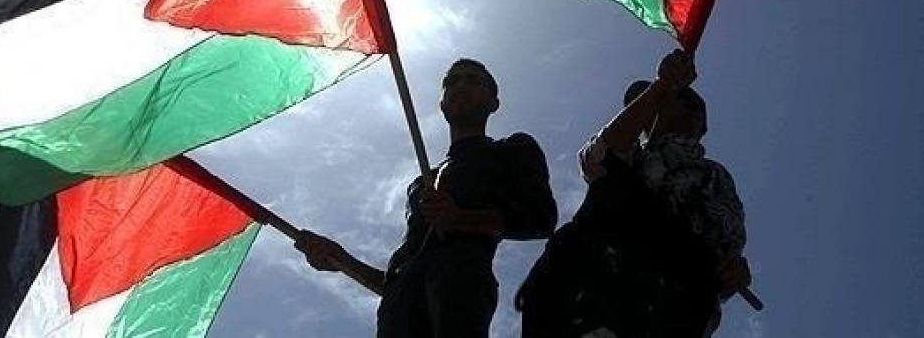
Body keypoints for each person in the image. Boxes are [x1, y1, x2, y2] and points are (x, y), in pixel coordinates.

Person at [296, 58, 558, 338]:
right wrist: (341, 260)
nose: (460, 86)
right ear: (442, 104)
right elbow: (400, 281)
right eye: (452, 82)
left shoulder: (512, 149)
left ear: (494, 103)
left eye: (472, 80)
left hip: (460, 291)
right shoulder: (421, 184)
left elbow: (541, 219)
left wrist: (460, 219)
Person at [517, 50, 751, 338]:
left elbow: (726, 254)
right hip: (583, 296)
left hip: (666, 310)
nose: (650, 108)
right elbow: (600, 154)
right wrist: (662, 84)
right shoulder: (629, 155)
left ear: (696, 118)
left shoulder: (713, 177)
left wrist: (729, 274)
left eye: (670, 100)